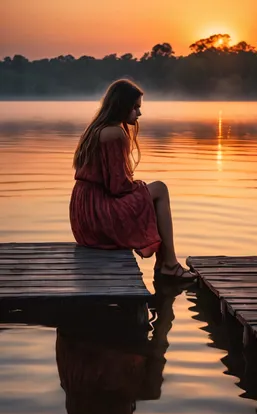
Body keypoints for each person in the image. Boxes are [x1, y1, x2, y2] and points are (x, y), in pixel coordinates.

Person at [70, 79, 196, 281]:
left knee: (149, 192)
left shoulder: (94, 129)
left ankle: (166, 263)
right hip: (98, 218)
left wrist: (140, 190)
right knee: (159, 189)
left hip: (84, 219)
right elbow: (118, 188)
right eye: (135, 107)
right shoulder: (114, 133)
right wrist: (140, 187)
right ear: (122, 106)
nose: (139, 113)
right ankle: (169, 264)